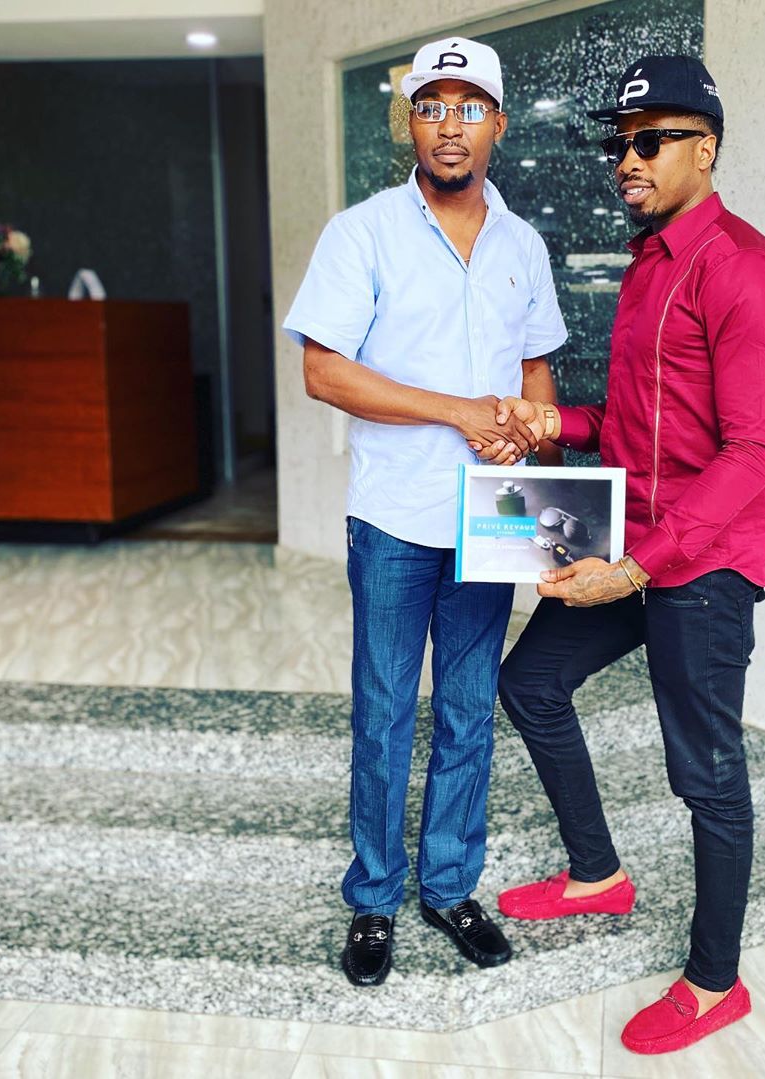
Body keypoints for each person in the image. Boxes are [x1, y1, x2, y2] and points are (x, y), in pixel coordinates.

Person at [486, 55, 765, 1054]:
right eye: (620, 142)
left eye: (651, 139)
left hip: (702, 561)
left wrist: (637, 566)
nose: (629, 158)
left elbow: (753, 452)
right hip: (636, 538)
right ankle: (597, 873)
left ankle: (714, 982)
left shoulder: (743, 267)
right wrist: (556, 421)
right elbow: (636, 422)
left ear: (705, 149)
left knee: (705, 772)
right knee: (530, 682)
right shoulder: (650, 261)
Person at [282, 34, 566, 988]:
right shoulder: (361, 232)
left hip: (496, 512)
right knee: (383, 713)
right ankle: (373, 897)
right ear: (410, 122)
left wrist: (534, 447)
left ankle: (448, 886)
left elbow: (535, 372)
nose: (451, 125)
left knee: (470, 709)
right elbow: (324, 372)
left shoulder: (524, 245)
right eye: (433, 106)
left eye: (469, 107)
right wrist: (457, 410)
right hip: (394, 516)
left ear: (498, 124)